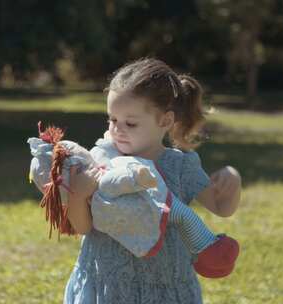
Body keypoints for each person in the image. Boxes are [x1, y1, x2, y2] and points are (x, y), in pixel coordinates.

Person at [64, 57, 242, 304]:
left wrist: (232, 180)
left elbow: (222, 208)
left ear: (165, 121)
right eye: (112, 119)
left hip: (164, 288)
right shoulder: (100, 163)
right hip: (107, 285)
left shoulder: (181, 166)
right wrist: (78, 194)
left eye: (130, 123)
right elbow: (83, 228)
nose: (117, 129)